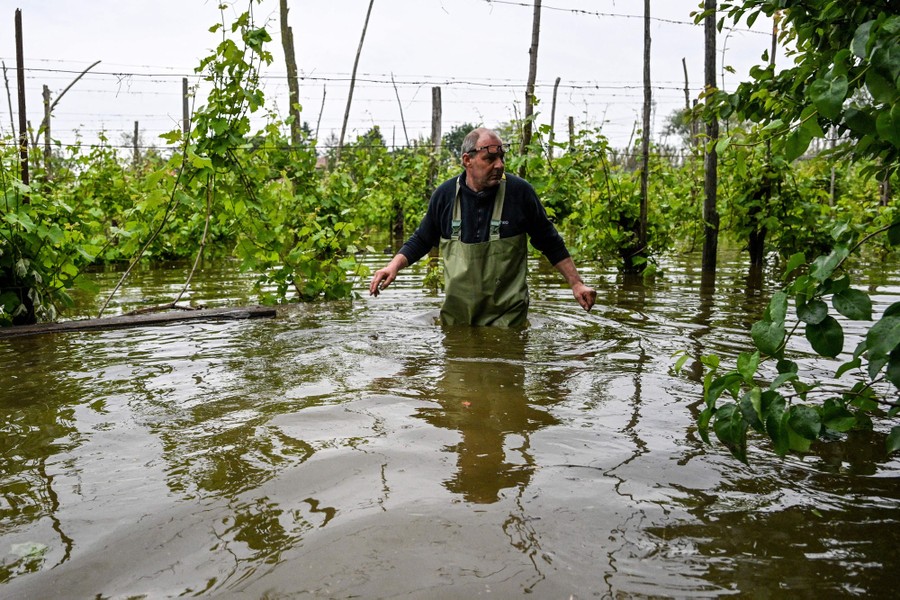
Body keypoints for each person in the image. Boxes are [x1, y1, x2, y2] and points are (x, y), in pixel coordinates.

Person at [369, 127, 596, 326]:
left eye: (502, 158)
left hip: (508, 319)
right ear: (467, 160)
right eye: (490, 159)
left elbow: (549, 240)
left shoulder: (520, 193)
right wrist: (393, 267)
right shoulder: (445, 195)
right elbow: (422, 239)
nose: (499, 165)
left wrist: (576, 284)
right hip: (457, 318)